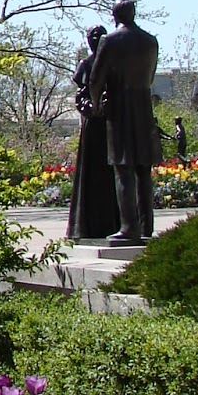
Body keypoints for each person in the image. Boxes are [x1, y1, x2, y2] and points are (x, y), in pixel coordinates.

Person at [88, 0, 161, 245]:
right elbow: (150, 77)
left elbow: (96, 78)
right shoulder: (151, 41)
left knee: (123, 168)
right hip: (143, 108)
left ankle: (129, 227)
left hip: (120, 109)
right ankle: (146, 226)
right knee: (143, 169)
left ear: (115, 16)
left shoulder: (110, 41)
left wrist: (96, 104)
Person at [66, 25, 119, 240]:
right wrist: (90, 107)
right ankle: (87, 226)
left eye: (99, 36)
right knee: (90, 174)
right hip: (93, 126)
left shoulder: (114, 62)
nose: (95, 39)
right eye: (92, 36)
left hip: (112, 123)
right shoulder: (85, 64)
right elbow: (81, 95)